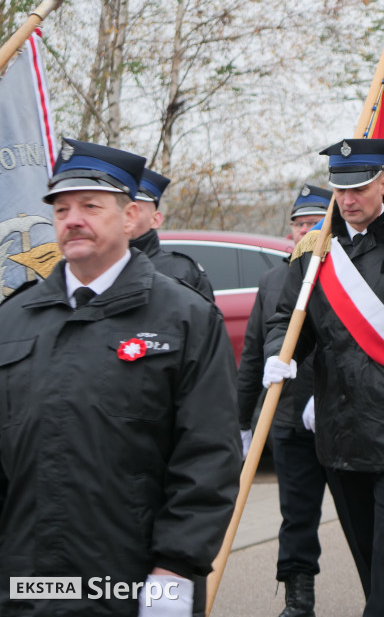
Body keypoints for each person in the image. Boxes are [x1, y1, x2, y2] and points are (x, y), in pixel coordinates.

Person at [0, 138, 240, 615]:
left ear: (130, 217)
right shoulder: (14, 318)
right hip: (27, 580)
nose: (72, 219)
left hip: (133, 579)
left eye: (90, 205)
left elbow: (208, 453)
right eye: (62, 208)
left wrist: (175, 569)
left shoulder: (184, 316)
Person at [262, 138, 384, 617]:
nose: (348, 200)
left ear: (383, 183)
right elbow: (288, 318)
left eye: (358, 188)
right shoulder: (316, 251)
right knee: (368, 555)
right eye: (339, 190)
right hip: (339, 430)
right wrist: (280, 354)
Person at [236, 183, 332, 617]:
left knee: (362, 516)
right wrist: (242, 422)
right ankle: (299, 598)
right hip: (289, 420)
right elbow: (254, 353)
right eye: (299, 225)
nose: (305, 231)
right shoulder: (272, 280)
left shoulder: (348, 272)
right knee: (296, 515)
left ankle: (381, 594)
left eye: (314, 223)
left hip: (341, 418)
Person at [128, 168, 214, 301]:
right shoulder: (95, 265)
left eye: (136, 210)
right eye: (122, 208)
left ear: (155, 220)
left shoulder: (183, 271)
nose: (127, 216)